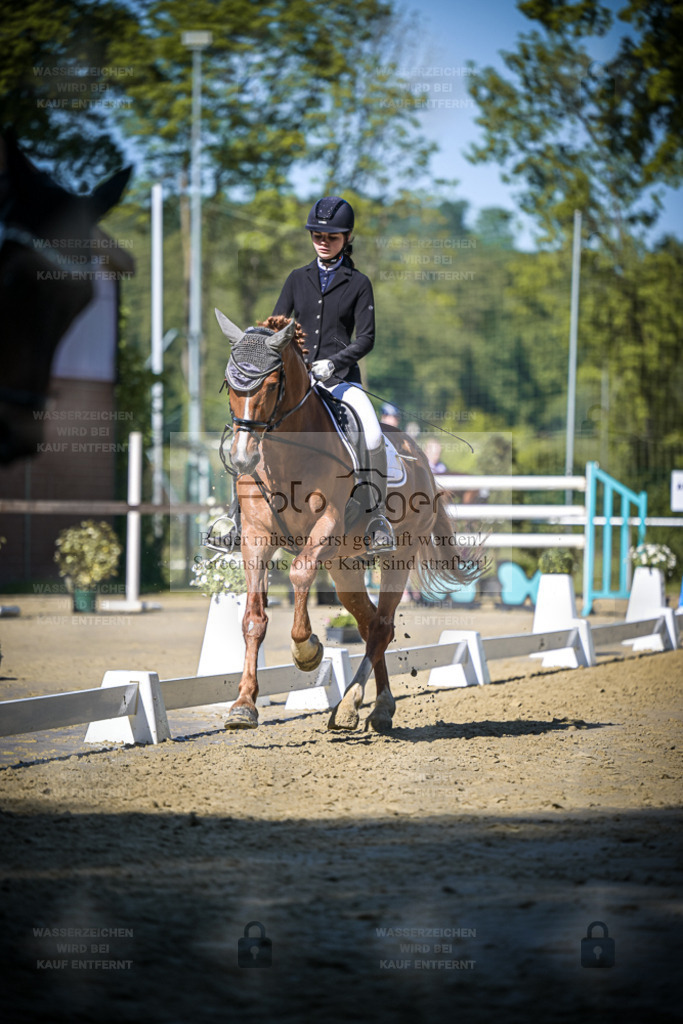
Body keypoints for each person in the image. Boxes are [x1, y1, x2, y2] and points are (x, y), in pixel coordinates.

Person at [271, 195, 395, 553]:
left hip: (340, 381)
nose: (323, 242)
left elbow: (367, 338)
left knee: (371, 434)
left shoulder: (359, 283)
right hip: (297, 380)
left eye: (332, 237)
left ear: (347, 237)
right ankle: (235, 514)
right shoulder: (297, 278)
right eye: (317, 235)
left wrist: (335, 363)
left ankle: (377, 518)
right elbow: (278, 324)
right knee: (256, 423)